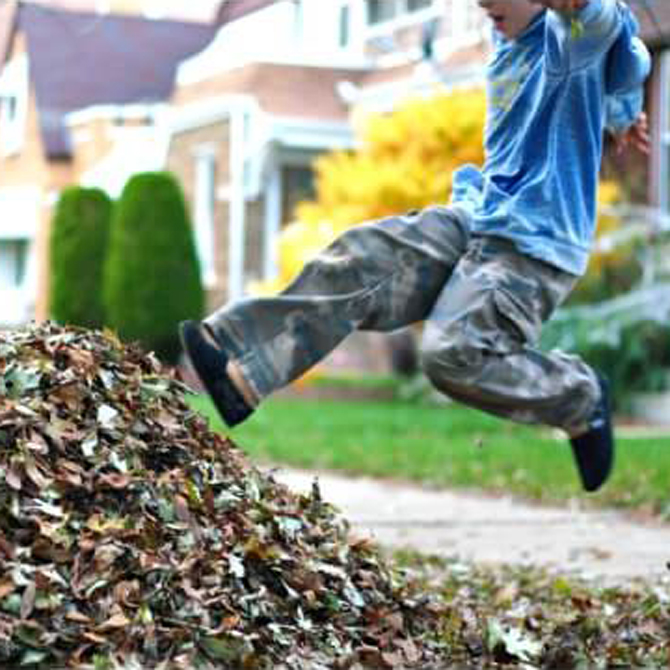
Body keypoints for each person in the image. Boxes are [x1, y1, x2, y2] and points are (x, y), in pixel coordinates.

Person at [180, 0, 651, 493]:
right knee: (361, 259)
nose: (483, 3)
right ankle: (243, 368)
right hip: (481, 216)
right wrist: (621, 111)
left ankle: (579, 397)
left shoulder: (568, 37)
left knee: (454, 352)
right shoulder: (505, 33)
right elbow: (627, 63)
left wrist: (609, 81)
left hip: (533, 241)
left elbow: (609, 27)